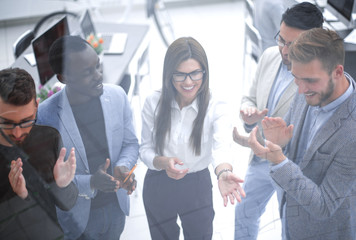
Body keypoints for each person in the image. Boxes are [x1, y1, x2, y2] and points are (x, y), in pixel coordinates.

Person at [248, 28, 356, 239]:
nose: (300, 90)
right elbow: (294, 160)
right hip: (291, 225)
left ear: (337, 71)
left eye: (309, 80)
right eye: (296, 78)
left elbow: (324, 206)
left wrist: (279, 160)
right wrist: (279, 145)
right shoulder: (309, 87)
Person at [140, 36, 246, 240]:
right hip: (158, 181)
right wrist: (162, 162)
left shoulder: (217, 105)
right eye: (180, 75)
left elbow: (221, 145)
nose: (188, 82)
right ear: (169, 75)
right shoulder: (153, 102)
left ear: (204, 72)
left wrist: (224, 172)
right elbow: (145, 148)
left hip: (196, 184)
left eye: (195, 73)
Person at [234, 2, 324, 239]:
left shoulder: (319, 82)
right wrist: (248, 113)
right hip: (261, 158)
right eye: (281, 40)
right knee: (243, 212)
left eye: (293, 44)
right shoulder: (269, 57)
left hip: (294, 167)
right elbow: (249, 96)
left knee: (290, 228)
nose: (284, 50)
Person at [36, 36, 139, 240]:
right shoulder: (46, 115)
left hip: (116, 208)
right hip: (78, 219)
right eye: (87, 72)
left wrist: (123, 166)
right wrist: (91, 182)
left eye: (98, 67)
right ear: (63, 77)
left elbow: (130, 144)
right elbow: (48, 179)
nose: (99, 76)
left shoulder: (117, 96)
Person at [0, 67, 78, 239]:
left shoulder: (50, 138)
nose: (18, 133)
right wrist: (20, 197)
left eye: (26, 121)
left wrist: (62, 184)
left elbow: (69, 203)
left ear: (35, 108)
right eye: (7, 122)